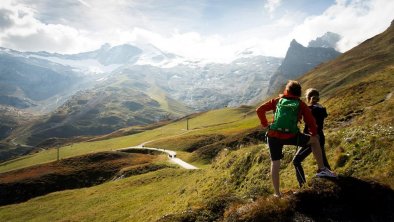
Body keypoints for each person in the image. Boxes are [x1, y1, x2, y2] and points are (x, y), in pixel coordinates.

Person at [256, 80, 336, 198]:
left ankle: (277, 193)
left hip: (273, 135)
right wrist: (314, 134)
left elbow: (259, 110)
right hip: (291, 136)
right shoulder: (301, 104)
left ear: (287, 90)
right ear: (299, 92)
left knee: (275, 162)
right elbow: (311, 122)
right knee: (315, 141)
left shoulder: (278, 100)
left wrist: (265, 124)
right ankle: (322, 169)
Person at [293, 88, 331, 187]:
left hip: (311, 138)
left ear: (308, 98)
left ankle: (302, 185)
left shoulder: (309, 109)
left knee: (296, 161)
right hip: (320, 137)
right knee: (324, 164)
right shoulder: (321, 108)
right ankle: (332, 183)